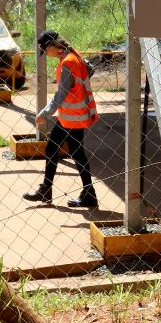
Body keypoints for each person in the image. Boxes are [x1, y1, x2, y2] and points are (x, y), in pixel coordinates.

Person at [23, 30, 98, 208]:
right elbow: (89, 69)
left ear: (51, 46)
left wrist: (45, 112)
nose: (46, 55)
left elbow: (62, 93)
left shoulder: (67, 62)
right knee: (72, 151)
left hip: (72, 116)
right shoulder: (73, 55)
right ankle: (85, 193)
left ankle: (48, 190)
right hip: (75, 114)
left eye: (45, 51)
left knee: (59, 149)